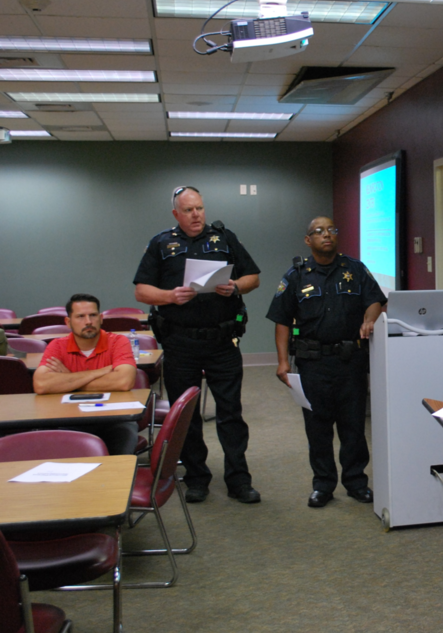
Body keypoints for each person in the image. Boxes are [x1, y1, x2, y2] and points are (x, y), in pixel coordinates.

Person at [133, 186, 262, 504]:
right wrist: (169, 296)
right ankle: (196, 478)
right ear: (176, 214)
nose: (196, 215)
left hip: (222, 341)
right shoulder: (162, 243)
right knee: (186, 414)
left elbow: (253, 278)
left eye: (200, 209)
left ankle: (238, 479)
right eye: (189, 210)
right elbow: (141, 291)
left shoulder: (224, 238)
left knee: (231, 412)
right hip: (180, 342)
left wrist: (234, 287)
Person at [266, 216, 386, 508]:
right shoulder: (296, 275)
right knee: (318, 427)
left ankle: (357, 482)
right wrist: (283, 362)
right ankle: (323, 485)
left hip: (351, 360)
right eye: (318, 232)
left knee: (353, 426)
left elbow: (375, 299)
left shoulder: (355, 269)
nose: (326, 235)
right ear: (308, 241)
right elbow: (281, 321)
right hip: (312, 362)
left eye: (331, 229)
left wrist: (370, 319)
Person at [32, 294, 138, 455]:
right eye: (80, 316)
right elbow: (41, 384)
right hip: (67, 417)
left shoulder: (118, 342)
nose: (88, 321)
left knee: (121, 451)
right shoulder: (57, 346)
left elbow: (124, 381)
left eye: (93, 315)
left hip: (114, 418)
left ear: (101, 318)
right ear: (68, 322)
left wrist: (69, 380)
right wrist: (98, 373)